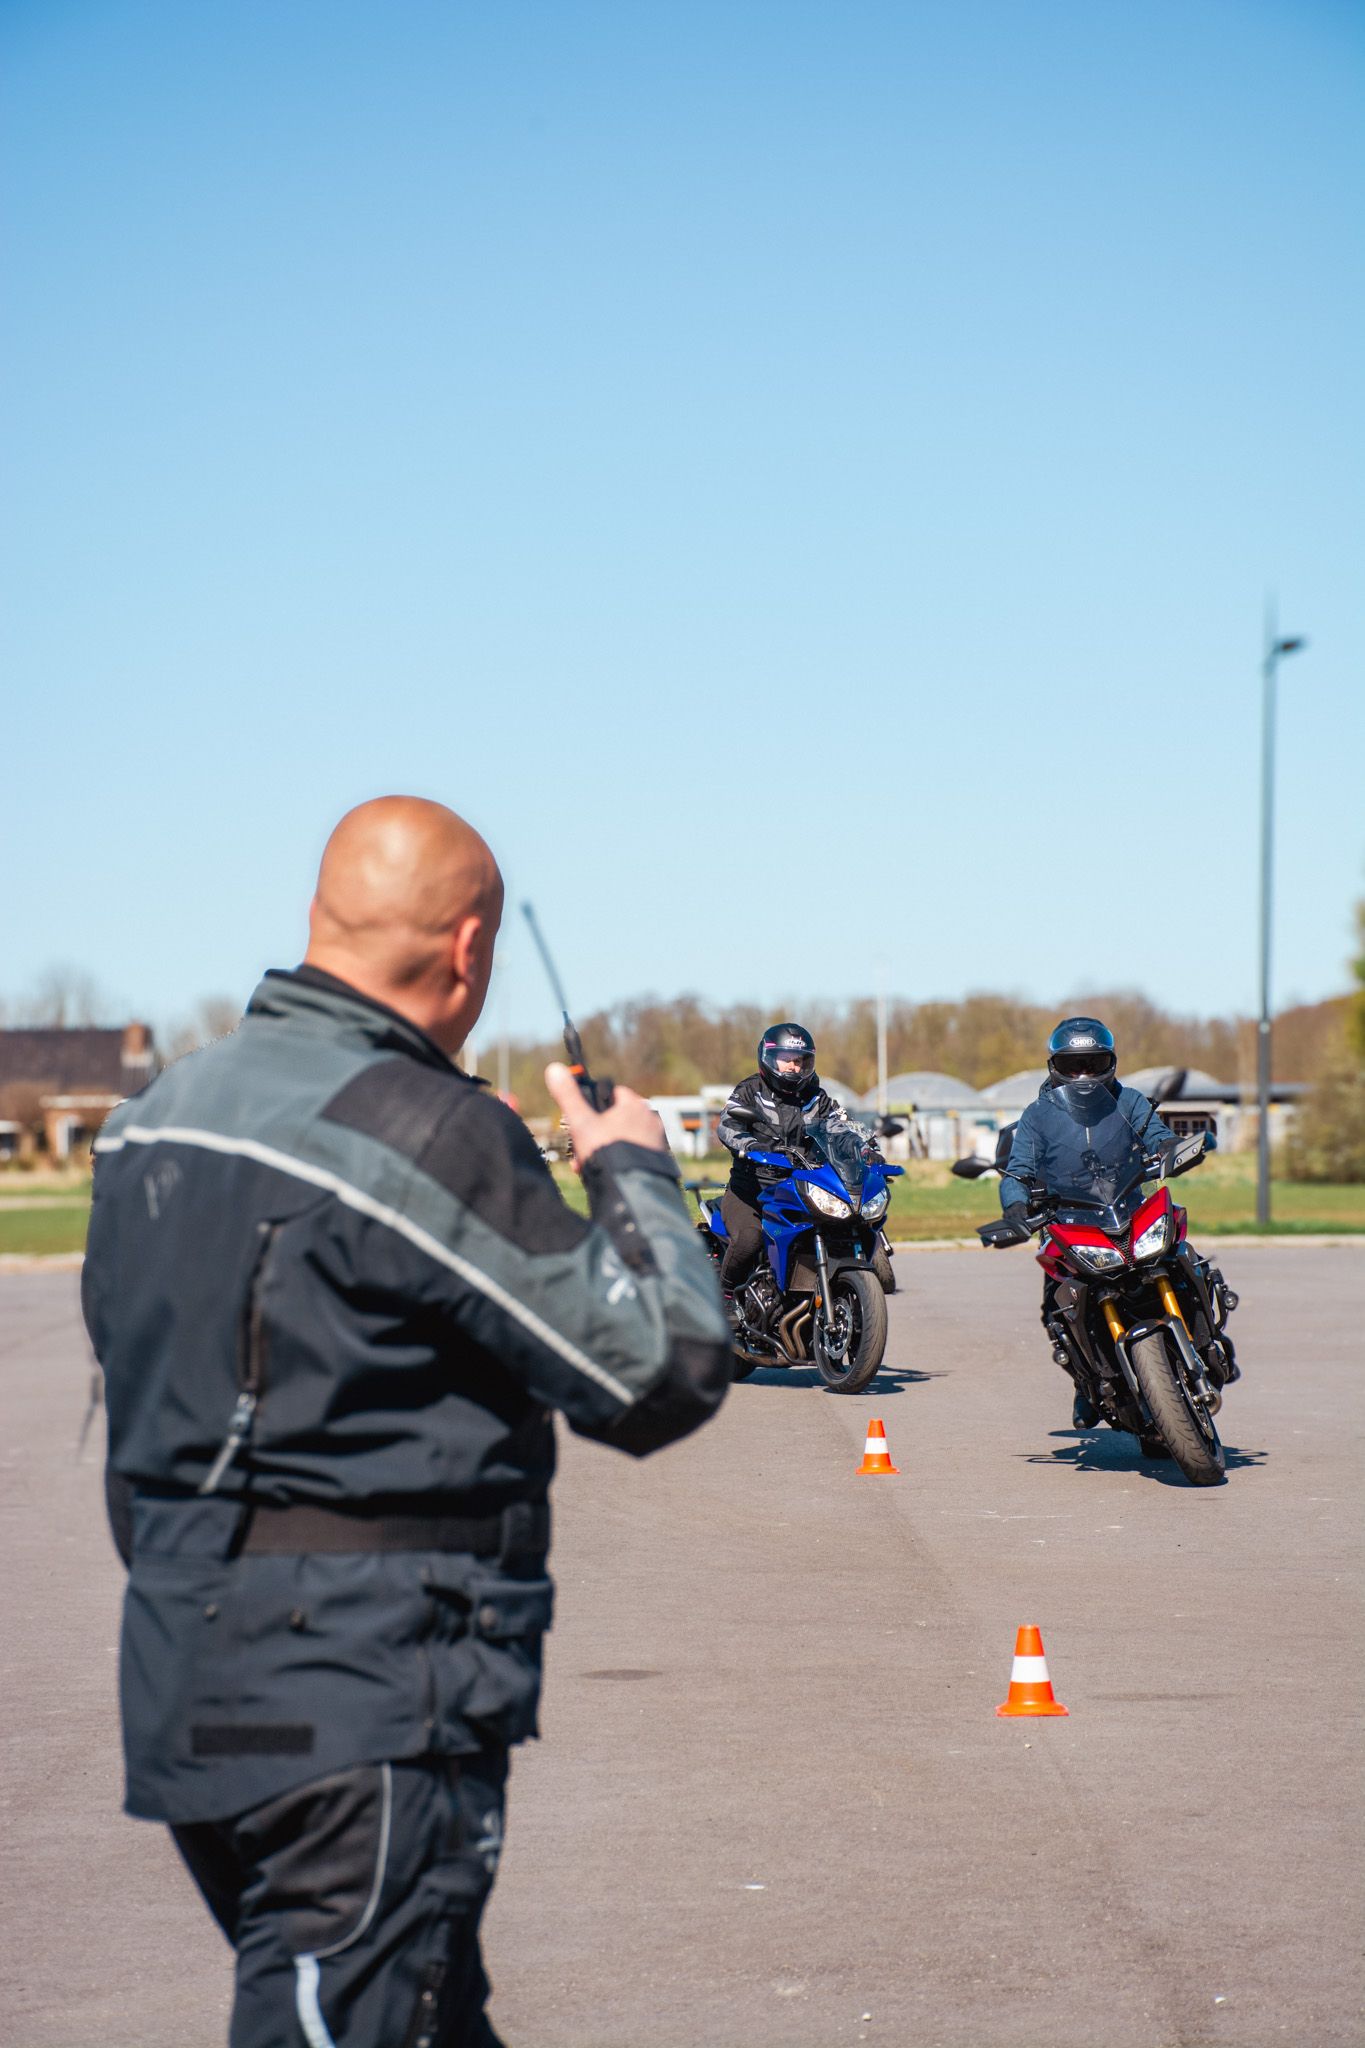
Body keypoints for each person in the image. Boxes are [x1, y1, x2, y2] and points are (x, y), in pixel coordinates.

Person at [82, 796, 732, 2048]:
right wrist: (631, 1166)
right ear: (468, 949)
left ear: (321, 922)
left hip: (187, 1683)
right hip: (363, 1704)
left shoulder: (153, 1115)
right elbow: (661, 1368)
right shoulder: (427, 1125)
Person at [996, 1015, 1209, 1427]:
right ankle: (1085, 1384)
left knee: (1185, 1256)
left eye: (1092, 1064)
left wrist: (1171, 1149)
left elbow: (1157, 1134)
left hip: (1128, 1208)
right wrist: (1016, 1206)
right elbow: (1018, 1170)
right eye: (1074, 1065)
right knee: (1056, 1307)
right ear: (1056, 1067)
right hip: (1070, 1221)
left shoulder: (1128, 1101)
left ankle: (1209, 1336)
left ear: (1108, 1063)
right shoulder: (1038, 1116)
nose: (1083, 1074)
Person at [715, 1021, 868, 1293]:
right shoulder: (750, 1091)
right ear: (768, 1057)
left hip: (800, 1188)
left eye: (799, 1060)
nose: (794, 1067)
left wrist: (865, 1150)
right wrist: (750, 1146)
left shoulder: (816, 1098)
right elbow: (728, 1124)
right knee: (750, 1239)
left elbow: (839, 1129)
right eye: (786, 1060)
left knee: (841, 1226)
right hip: (751, 1191)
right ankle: (723, 1295)